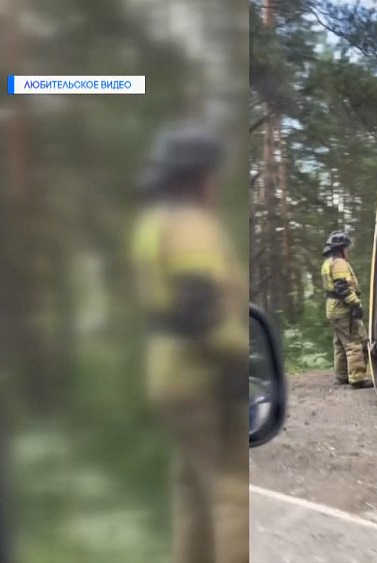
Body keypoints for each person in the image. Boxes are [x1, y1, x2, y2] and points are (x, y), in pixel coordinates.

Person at [131, 122, 248, 563]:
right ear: (197, 176)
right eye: (211, 174)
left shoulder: (151, 224)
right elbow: (200, 304)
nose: (215, 183)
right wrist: (238, 363)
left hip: (167, 373)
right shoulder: (190, 225)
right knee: (232, 493)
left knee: (192, 495)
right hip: (204, 373)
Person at [321, 230, 373, 389]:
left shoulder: (327, 263)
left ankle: (342, 376)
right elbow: (342, 287)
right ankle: (357, 378)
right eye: (346, 248)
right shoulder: (339, 263)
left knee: (340, 343)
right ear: (341, 248)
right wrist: (355, 304)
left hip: (333, 309)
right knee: (354, 342)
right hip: (343, 308)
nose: (348, 251)